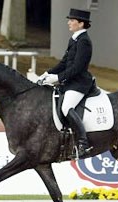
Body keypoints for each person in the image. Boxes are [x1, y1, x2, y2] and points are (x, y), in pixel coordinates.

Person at [39, 8, 94, 158]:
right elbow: (64, 62)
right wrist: (48, 73)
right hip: (69, 81)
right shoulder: (74, 39)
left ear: (81, 23)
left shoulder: (84, 42)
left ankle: (83, 143)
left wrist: (58, 78)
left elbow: (77, 67)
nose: (69, 22)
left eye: (72, 20)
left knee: (66, 107)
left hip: (79, 83)